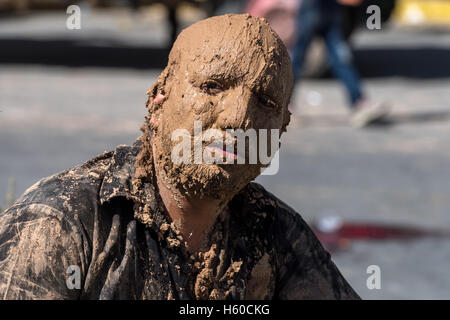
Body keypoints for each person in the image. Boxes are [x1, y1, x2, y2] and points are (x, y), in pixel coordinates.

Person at [0, 14, 359, 300]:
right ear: (159, 98)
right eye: (213, 86)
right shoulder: (63, 222)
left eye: (265, 102)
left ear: (280, 130)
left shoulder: (277, 233)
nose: (238, 118)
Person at [291, 0, 389, 127]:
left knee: (342, 57)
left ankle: (359, 102)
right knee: (298, 57)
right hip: (313, 7)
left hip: (330, 9)